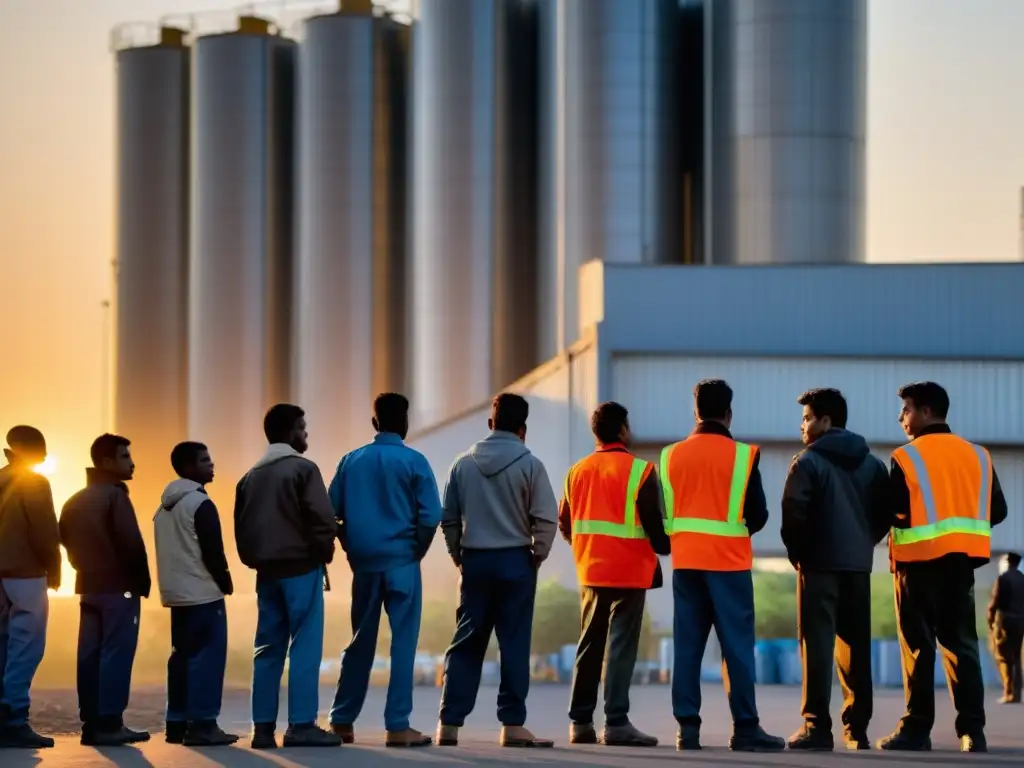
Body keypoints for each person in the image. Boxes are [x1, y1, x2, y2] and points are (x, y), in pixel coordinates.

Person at [878, 381, 1008, 753]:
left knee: (919, 649)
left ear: (926, 411)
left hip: (916, 567)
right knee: (962, 647)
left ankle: (916, 731)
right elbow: (997, 511)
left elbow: (895, 512)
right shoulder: (978, 456)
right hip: (959, 566)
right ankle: (972, 732)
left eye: (906, 409)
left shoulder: (906, 457)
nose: (901, 416)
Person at [660, 379, 784, 752]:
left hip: (686, 563)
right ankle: (745, 728)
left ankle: (688, 730)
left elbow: (666, 509)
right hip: (728, 564)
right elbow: (758, 515)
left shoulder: (670, 456)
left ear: (695, 411)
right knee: (737, 647)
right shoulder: (744, 456)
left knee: (688, 646)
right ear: (729, 413)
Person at [436, 393, 557, 749]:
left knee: (467, 642)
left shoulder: (462, 464)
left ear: (490, 424)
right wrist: (537, 554)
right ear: (523, 429)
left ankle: (449, 724)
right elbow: (546, 517)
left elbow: (449, 519)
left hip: (475, 562)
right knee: (514, 644)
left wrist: (458, 555)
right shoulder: (531, 464)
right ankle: (512, 725)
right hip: (516, 561)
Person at [328, 393, 441, 748]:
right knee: (403, 645)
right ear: (405, 423)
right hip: (403, 562)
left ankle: (342, 721)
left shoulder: (350, 462)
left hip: (365, 565)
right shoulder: (415, 461)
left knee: (360, 643)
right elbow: (432, 516)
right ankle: (397, 726)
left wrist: (350, 545)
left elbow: (331, 513)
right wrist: (416, 549)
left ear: (374, 423)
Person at [781, 388, 891, 751]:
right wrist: (863, 543)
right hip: (858, 567)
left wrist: (800, 555)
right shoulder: (873, 464)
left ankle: (816, 727)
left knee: (817, 647)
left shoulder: (807, 462)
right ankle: (856, 729)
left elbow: (793, 513)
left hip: (818, 567)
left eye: (807, 417)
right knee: (856, 648)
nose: (802, 425)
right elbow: (883, 516)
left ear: (826, 422)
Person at [558, 402, 670, 748]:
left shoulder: (576, 471)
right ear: (622, 429)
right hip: (631, 572)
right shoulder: (641, 471)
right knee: (620, 648)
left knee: (588, 645)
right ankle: (617, 722)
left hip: (591, 569)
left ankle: (580, 723)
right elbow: (654, 525)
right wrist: (665, 545)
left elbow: (566, 522)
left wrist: (587, 549)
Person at [234, 404, 340, 749]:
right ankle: (301, 726)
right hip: (301, 569)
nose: (305, 434)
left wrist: (257, 562)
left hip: (266, 574)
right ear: (289, 431)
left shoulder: (248, 478)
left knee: (267, 649)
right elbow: (323, 520)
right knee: (305, 648)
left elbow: (241, 531)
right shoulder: (303, 470)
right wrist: (323, 553)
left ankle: (262, 729)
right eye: (302, 427)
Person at [60, 433, 151, 746]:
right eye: (125, 457)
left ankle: (92, 723)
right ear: (107, 462)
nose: (132, 463)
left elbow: (66, 542)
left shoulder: (74, 500)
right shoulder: (115, 496)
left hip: (88, 586)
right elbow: (131, 544)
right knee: (116, 652)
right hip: (118, 588)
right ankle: (111, 723)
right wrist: (143, 582)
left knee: (89, 655)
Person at [155, 441, 237, 746]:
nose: (211, 465)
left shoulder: (164, 506)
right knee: (208, 658)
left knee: (181, 657)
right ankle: (203, 724)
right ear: (189, 467)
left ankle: (177, 722)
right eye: (205, 460)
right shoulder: (200, 503)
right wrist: (225, 580)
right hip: (203, 592)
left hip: (177, 594)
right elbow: (212, 549)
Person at [0, 426, 60, 749]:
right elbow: (44, 531)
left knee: (2, 645)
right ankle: (14, 719)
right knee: (26, 647)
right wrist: (54, 567)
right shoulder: (35, 483)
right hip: (25, 573)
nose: (46, 452)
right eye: (40, 445)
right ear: (24, 448)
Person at [988, 553, 1024, 704]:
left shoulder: (1003, 579)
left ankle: (1009, 692)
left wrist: (990, 620)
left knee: (1004, 658)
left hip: (1006, 622)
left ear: (1008, 562)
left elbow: (995, 602)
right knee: (1016, 658)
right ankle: (1016, 693)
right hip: (1021, 622)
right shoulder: (1022, 578)